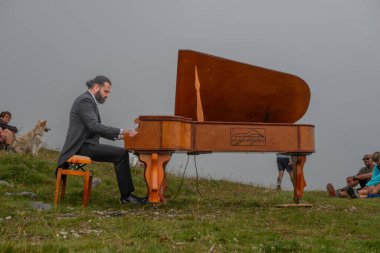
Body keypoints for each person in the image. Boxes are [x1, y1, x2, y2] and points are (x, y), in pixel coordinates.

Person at [57, 75, 147, 205]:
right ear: (95, 87)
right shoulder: (85, 101)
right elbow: (94, 126)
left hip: (85, 145)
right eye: (106, 91)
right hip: (80, 147)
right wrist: (122, 131)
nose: (107, 95)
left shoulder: (89, 101)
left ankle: (126, 196)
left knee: (121, 154)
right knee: (121, 154)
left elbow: (94, 129)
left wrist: (124, 136)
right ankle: (126, 197)